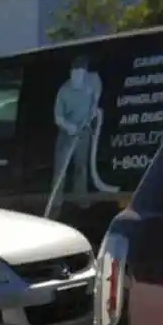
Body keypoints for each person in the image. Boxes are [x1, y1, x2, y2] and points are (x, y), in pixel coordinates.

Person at [50, 54, 104, 214]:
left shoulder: (92, 79)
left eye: (80, 74)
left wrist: (95, 105)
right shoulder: (64, 91)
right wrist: (69, 127)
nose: (76, 78)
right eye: (74, 74)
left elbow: (97, 87)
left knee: (81, 166)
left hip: (84, 131)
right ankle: (55, 203)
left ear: (85, 74)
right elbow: (58, 117)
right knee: (61, 169)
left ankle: (80, 198)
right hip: (67, 133)